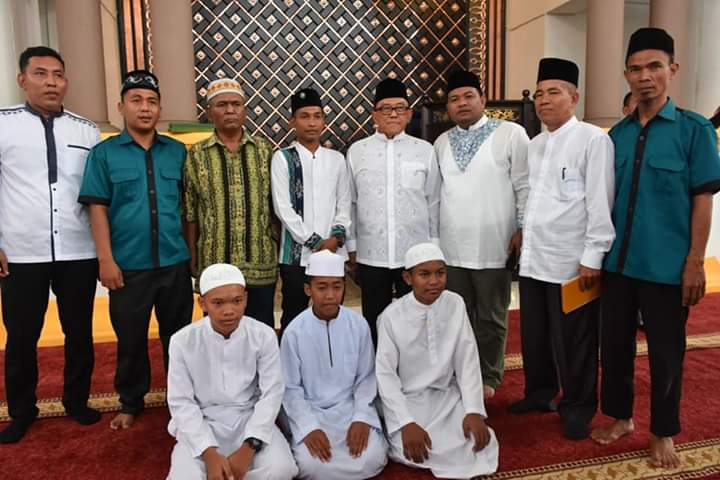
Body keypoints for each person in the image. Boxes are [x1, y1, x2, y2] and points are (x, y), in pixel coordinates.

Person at [590, 28, 720, 468]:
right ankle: (620, 417)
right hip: (619, 264)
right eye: (635, 68)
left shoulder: (694, 130)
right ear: (626, 74)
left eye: (654, 67)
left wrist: (695, 262)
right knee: (615, 346)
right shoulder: (616, 136)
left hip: (667, 267)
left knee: (667, 352)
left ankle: (662, 430)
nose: (644, 76)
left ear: (672, 69)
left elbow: (703, 200)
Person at [79, 70, 193, 430]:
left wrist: (191, 256)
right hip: (128, 267)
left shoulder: (177, 152)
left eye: (152, 101)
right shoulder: (104, 154)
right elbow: (97, 209)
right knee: (130, 340)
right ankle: (131, 401)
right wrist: (106, 260)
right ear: (121, 107)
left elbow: (188, 209)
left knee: (179, 339)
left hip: (174, 261)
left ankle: (182, 401)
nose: (145, 108)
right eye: (137, 100)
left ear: (160, 108)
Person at [508, 58, 615, 440]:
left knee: (575, 341)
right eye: (539, 94)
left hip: (572, 262)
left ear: (574, 97)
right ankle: (540, 393)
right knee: (535, 336)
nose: (543, 100)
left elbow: (600, 202)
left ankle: (578, 407)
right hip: (535, 258)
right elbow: (530, 198)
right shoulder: (535, 145)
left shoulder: (593, 140)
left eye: (553, 92)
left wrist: (593, 257)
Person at [0, 46, 102, 443]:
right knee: (22, 336)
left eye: (58, 75)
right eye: (41, 74)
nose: (51, 82)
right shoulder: (4, 124)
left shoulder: (86, 130)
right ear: (22, 79)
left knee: (79, 331)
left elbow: (96, 193)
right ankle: (22, 411)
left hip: (78, 249)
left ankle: (77, 400)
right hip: (21, 251)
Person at [434, 69, 530, 398]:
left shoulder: (511, 133)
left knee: (491, 316)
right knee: (455, 317)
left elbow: (524, 185)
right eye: (454, 99)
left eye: (468, 96)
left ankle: (489, 376)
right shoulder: (441, 142)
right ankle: (459, 372)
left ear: (483, 99)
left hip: (495, 243)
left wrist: (522, 227)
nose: (461, 103)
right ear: (447, 106)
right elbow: (436, 195)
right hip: (451, 246)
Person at [376, 242, 499, 479]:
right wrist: (405, 423)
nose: (434, 281)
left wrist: (473, 410)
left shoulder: (455, 303)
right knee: (415, 448)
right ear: (408, 278)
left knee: (476, 443)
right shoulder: (391, 316)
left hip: (447, 396)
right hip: (408, 400)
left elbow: (466, 358)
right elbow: (385, 375)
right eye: (424, 274)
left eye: (440, 273)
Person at [166, 264, 298, 480]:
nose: (229, 311)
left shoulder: (263, 335)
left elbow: (272, 393)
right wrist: (209, 453)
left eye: (236, 301)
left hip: (249, 418)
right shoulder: (182, 341)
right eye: (218, 303)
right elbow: (181, 402)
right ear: (202, 303)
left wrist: (250, 446)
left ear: (245, 299)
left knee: (281, 470)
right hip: (204, 421)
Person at [346, 78, 440, 347]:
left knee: (415, 320)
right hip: (371, 254)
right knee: (374, 320)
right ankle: (378, 369)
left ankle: (414, 369)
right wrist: (352, 246)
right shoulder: (357, 151)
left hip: (414, 253)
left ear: (409, 114)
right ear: (375, 114)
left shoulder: (424, 151)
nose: (393, 114)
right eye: (386, 108)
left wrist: (433, 249)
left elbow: (433, 201)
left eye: (400, 108)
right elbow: (350, 202)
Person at [280, 250, 388, 479]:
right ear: (308, 289)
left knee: (372, 457)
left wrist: (361, 418)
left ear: (344, 288)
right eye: (322, 287)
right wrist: (309, 427)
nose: (330, 295)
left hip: (350, 408)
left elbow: (366, 378)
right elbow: (290, 388)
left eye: (336, 287)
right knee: (311, 465)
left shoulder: (358, 325)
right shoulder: (294, 332)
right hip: (311, 410)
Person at [184, 78, 277, 327]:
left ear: (244, 110)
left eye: (236, 104)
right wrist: (191, 254)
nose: (229, 110)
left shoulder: (264, 150)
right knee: (219, 332)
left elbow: (275, 206)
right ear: (209, 112)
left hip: (259, 261)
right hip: (215, 261)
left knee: (260, 330)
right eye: (221, 105)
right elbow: (191, 210)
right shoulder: (197, 155)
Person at [271, 88, 351, 333]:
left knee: (332, 314)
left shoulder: (336, 159)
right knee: (294, 317)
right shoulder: (282, 158)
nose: (312, 123)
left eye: (317, 116)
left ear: (324, 121)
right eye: (304, 116)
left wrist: (336, 237)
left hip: (334, 252)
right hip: (297, 257)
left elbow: (344, 202)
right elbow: (282, 208)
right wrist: (315, 241)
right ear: (292, 121)